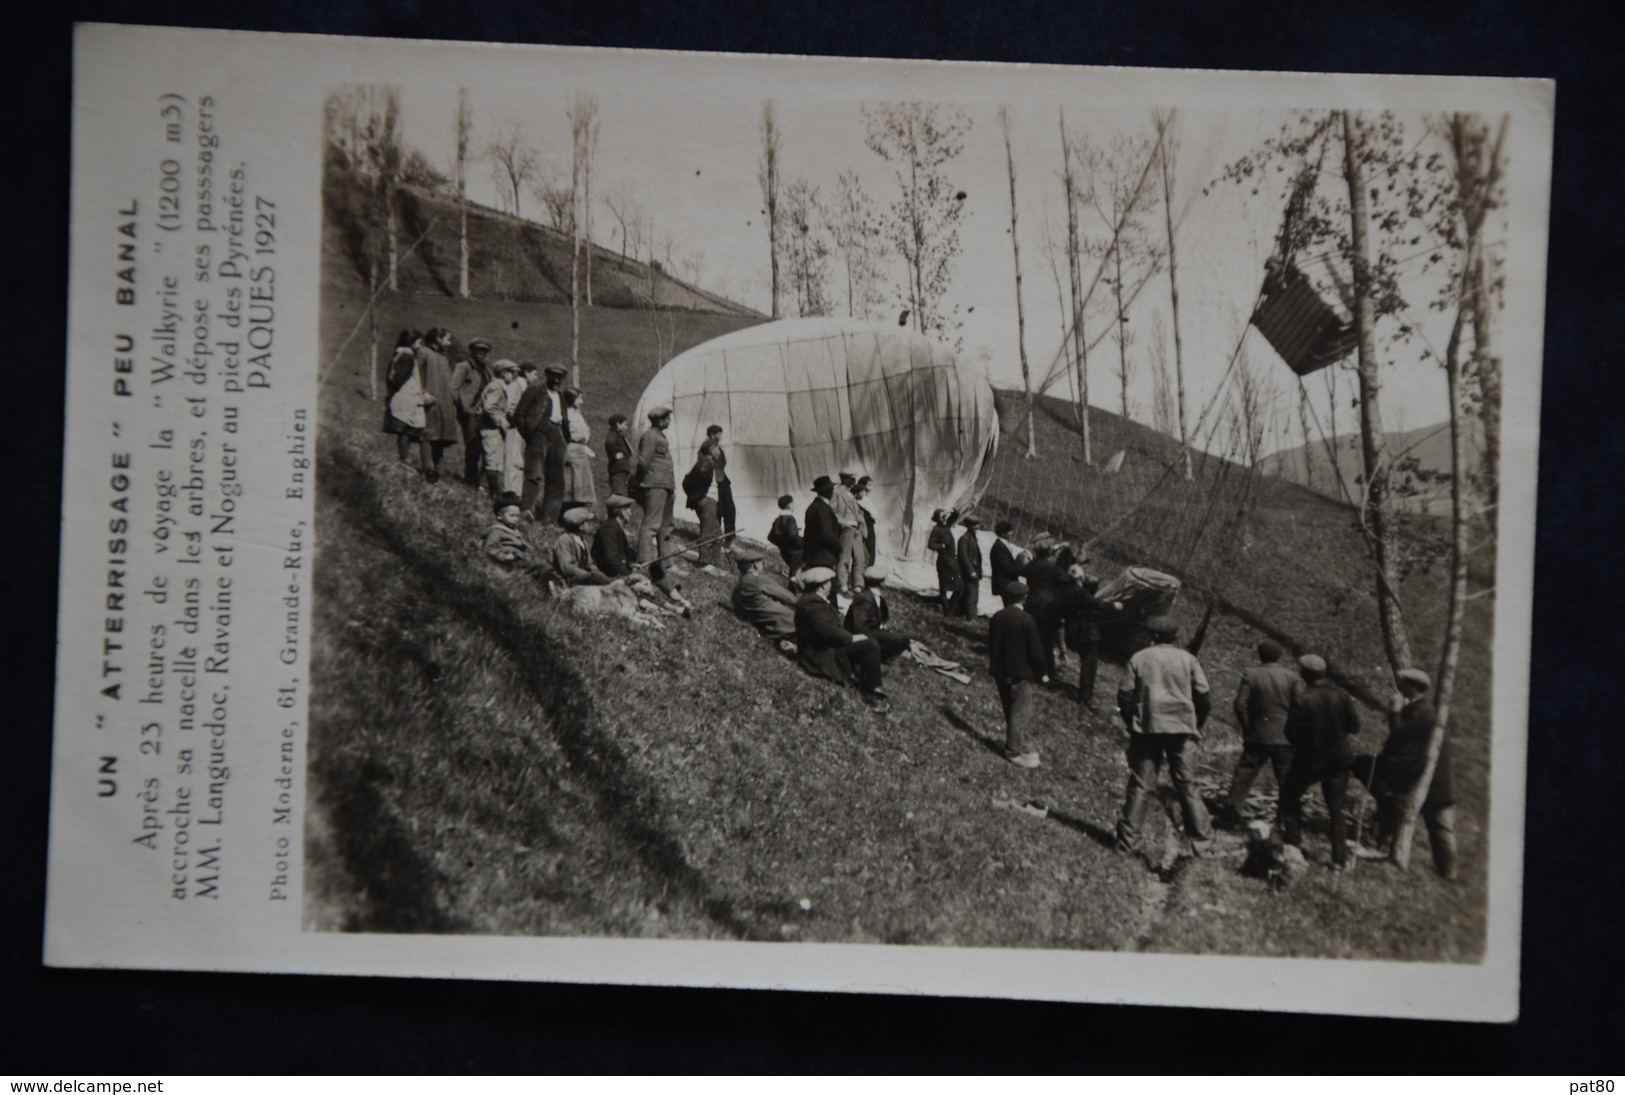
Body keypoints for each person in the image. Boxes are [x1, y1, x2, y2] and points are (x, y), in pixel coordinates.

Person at [1115, 615, 1215, 859]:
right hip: (1181, 729)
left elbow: (1125, 696)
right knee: (1188, 785)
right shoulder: (1188, 659)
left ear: (1151, 636)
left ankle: (1127, 844)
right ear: (1174, 637)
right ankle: (1203, 845)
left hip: (1147, 729)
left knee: (1141, 785)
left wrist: (1132, 722)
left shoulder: (1139, 658)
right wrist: (1196, 724)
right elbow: (1204, 698)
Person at [1359, 668, 1457, 879]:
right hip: (1432, 777)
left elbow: (1400, 734)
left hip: (1428, 778)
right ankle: (1449, 872)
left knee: (1439, 823)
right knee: (1440, 825)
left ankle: (1448, 872)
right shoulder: (1423, 709)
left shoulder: (1420, 710)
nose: (1399, 687)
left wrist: (1394, 710)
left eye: (1403, 684)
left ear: (1414, 687)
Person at [1277, 654, 1361, 871]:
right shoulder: (1341, 695)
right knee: (1336, 808)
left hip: (1310, 760)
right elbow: (1354, 726)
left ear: (1304, 674)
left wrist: (1306, 741)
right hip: (1339, 760)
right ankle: (1339, 860)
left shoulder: (1302, 698)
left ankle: (1293, 842)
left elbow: (1290, 733)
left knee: (1289, 796)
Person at [1222, 639, 1300, 826]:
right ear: (1280, 656)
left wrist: (1248, 727)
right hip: (1285, 738)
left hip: (1258, 735)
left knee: (1242, 778)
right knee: (1287, 783)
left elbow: (1240, 704)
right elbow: (1299, 707)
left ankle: (1230, 818)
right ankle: (1287, 823)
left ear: (1260, 655)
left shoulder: (1251, 674)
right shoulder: (1292, 677)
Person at [793, 567, 886, 701]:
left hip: (822, 650)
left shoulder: (812, 600)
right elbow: (827, 631)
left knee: (865, 643)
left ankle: (865, 676)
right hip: (819, 656)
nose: (831, 585)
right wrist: (851, 638)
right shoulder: (812, 604)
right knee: (870, 645)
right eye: (829, 582)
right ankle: (871, 689)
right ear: (822, 585)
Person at [592, 494, 691, 613]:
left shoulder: (615, 527)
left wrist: (633, 565)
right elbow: (610, 560)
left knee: (653, 567)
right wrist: (629, 574)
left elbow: (620, 556)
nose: (631, 513)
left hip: (619, 571)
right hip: (610, 576)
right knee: (647, 577)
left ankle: (677, 598)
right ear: (621, 512)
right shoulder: (608, 530)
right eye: (628, 509)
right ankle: (672, 604)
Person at [988, 579, 1048, 768]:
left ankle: (1018, 742)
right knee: (1020, 711)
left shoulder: (996, 617)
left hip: (1000, 671)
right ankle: (1014, 752)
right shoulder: (1027, 619)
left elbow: (991, 645)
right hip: (1020, 673)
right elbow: (1036, 650)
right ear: (1024, 598)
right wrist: (1043, 672)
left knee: (1010, 709)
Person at [1060, 567, 1121, 709]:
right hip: (1087, 635)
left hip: (1072, 631)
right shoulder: (1084, 597)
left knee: (1086, 662)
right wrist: (1114, 605)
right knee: (1089, 665)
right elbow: (1100, 606)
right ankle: (1085, 695)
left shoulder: (1068, 590)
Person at [516, 364, 568, 524]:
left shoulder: (560, 396)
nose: (556, 380)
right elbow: (520, 413)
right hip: (539, 434)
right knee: (534, 473)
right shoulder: (535, 391)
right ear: (547, 376)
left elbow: (565, 418)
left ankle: (548, 518)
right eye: (553, 376)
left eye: (560, 378)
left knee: (557, 478)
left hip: (557, 434)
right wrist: (530, 433)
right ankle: (527, 510)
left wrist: (565, 439)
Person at [632, 407, 677, 565]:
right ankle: (644, 561)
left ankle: (667, 563)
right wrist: (641, 481)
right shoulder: (650, 436)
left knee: (667, 525)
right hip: (655, 485)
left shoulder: (659, 435)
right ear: (660, 420)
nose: (669, 421)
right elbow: (643, 461)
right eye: (667, 419)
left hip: (666, 485)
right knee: (651, 524)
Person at [415, 327, 460, 482]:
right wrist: (423, 393)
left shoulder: (444, 358)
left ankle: (439, 472)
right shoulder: (424, 352)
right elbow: (416, 376)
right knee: (429, 434)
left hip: (444, 402)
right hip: (431, 400)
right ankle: (428, 468)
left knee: (441, 437)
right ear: (437, 339)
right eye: (446, 339)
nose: (448, 343)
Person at [731, 547, 799, 648]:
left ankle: (793, 646)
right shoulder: (760, 580)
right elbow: (792, 600)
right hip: (789, 624)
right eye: (761, 562)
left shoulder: (737, 590)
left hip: (768, 628)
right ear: (755, 565)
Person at [477, 360, 526, 496]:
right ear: (504, 373)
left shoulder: (499, 386)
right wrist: (500, 422)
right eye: (511, 373)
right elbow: (488, 407)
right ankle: (494, 493)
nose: (513, 376)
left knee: (492, 458)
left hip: (491, 428)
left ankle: (483, 487)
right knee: (493, 460)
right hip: (490, 428)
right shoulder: (496, 387)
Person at [450, 336, 494, 487]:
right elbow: (453, 388)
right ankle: (471, 481)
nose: (481, 353)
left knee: (485, 448)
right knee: (473, 447)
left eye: (484, 350)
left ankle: (480, 482)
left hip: (484, 414)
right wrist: (464, 408)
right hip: (471, 414)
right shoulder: (464, 367)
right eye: (478, 350)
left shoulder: (486, 370)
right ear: (472, 350)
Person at [843, 565, 911, 661]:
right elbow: (858, 626)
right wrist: (878, 635)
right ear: (881, 583)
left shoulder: (876, 596)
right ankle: (877, 655)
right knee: (900, 639)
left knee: (903, 638)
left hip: (872, 631)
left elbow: (882, 617)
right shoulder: (864, 598)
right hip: (862, 634)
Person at [382, 329, 427, 467]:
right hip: (406, 396)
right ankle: (405, 459)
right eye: (419, 342)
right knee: (407, 429)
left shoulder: (399, 354)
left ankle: (405, 459)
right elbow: (399, 378)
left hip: (403, 396)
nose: (420, 346)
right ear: (411, 342)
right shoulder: (407, 356)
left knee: (406, 429)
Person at [683, 431, 727, 570]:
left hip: (710, 500)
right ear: (710, 450)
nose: (719, 452)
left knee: (717, 534)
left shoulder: (708, 463)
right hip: (707, 500)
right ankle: (703, 562)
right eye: (716, 449)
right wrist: (699, 497)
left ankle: (715, 561)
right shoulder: (704, 464)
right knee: (708, 532)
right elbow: (688, 482)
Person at [551, 507, 615, 586]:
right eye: (586, 522)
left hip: (582, 576)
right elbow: (567, 568)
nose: (588, 525)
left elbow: (589, 563)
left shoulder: (582, 540)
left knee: (603, 577)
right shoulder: (564, 540)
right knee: (597, 578)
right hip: (569, 579)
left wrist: (596, 571)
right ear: (580, 526)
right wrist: (587, 574)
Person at [699, 424, 737, 543]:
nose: (720, 437)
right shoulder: (708, 446)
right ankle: (717, 538)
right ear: (712, 435)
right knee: (719, 509)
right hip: (715, 481)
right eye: (718, 434)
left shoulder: (716, 447)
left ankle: (727, 538)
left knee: (728, 509)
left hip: (722, 480)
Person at [560, 387, 597, 510]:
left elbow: (585, 430)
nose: (581, 401)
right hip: (572, 448)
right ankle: (570, 504)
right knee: (573, 476)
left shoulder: (577, 414)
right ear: (572, 399)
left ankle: (581, 503)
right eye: (579, 398)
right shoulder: (566, 414)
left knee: (582, 477)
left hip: (581, 448)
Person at [832, 472, 867, 597]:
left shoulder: (851, 494)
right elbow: (833, 511)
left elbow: (857, 512)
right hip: (846, 528)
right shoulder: (836, 492)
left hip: (856, 529)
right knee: (844, 558)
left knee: (859, 558)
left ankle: (858, 585)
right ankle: (842, 585)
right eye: (851, 479)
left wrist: (862, 526)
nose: (853, 481)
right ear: (845, 479)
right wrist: (844, 523)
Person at [927, 508, 962, 616]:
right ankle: (947, 612)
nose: (944, 519)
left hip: (952, 561)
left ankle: (950, 610)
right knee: (944, 589)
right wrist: (941, 546)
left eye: (944, 517)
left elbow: (955, 516)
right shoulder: (936, 529)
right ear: (937, 519)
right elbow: (930, 544)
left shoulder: (947, 525)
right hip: (944, 562)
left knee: (959, 587)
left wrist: (954, 510)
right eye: (942, 517)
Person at [802, 476, 842, 572]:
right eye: (831, 489)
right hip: (824, 556)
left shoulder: (812, 506)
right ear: (825, 491)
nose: (832, 491)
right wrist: (839, 546)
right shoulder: (823, 508)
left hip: (813, 555)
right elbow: (826, 533)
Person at [954, 515, 984, 619]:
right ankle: (972, 618)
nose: (977, 527)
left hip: (974, 570)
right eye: (974, 525)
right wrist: (971, 571)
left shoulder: (973, 538)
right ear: (968, 526)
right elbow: (963, 557)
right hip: (968, 571)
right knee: (972, 594)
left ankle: (959, 613)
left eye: (977, 525)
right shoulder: (964, 539)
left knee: (968, 593)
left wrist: (979, 571)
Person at [767, 495, 804, 575]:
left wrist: (783, 545)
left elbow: (770, 537)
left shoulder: (778, 520)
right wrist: (803, 543)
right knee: (797, 572)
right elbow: (793, 536)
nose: (795, 505)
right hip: (795, 552)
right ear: (789, 506)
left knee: (793, 571)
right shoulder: (790, 519)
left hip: (785, 551)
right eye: (793, 503)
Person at [989, 521, 1022, 599]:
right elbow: (1007, 567)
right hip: (1005, 584)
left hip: (1007, 583)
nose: (1012, 533)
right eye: (1009, 531)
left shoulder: (1003, 544)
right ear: (1003, 533)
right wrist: (1023, 571)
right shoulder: (1000, 547)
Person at [604, 413, 635, 498]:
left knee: (621, 490)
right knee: (618, 492)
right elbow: (609, 443)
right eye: (625, 424)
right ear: (618, 424)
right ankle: (617, 508)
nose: (626, 427)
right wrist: (615, 455)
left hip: (622, 468)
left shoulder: (618, 435)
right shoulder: (613, 434)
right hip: (618, 468)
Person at [855, 476, 877, 568]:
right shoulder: (862, 500)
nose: (871, 487)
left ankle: (870, 565)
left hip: (870, 523)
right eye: (869, 485)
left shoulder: (866, 498)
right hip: (867, 524)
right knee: (868, 545)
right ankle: (868, 566)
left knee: (871, 545)